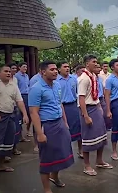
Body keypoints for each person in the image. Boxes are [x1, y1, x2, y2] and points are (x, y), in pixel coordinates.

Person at [29, 61, 74, 193]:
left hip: (59, 122)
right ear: (43, 72)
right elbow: (33, 112)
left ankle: (55, 177)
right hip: (46, 125)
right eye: (52, 69)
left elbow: (60, 104)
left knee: (60, 152)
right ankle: (46, 189)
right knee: (47, 157)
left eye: (56, 69)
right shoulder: (36, 88)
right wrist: (40, 134)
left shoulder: (57, 85)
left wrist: (65, 123)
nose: (55, 71)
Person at [78, 55, 113, 176]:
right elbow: (81, 98)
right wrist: (86, 116)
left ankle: (99, 160)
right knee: (87, 137)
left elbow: (96, 94)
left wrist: (99, 107)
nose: (96, 64)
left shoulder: (93, 76)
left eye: (96, 62)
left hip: (96, 107)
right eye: (93, 62)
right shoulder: (84, 78)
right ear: (87, 64)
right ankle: (87, 165)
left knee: (102, 135)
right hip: (87, 109)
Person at [56, 61, 83, 158]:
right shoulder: (56, 81)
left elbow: (78, 93)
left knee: (79, 128)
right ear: (59, 69)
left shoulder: (74, 79)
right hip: (62, 107)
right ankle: (66, 152)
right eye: (64, 67)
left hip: (73, 106)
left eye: (68, 67)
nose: (67, 68)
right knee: (64, 130)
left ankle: (81, 150)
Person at [15, 62, 33, 142]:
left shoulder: (27, 76)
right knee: (21, 116)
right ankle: (21, 135)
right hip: (20, 96)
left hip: (28, 96)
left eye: (26, 67)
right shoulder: (16, 76)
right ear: (19, 67)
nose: (25, 68)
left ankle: (28, 131)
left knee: (29, 114)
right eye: (24, 67)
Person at [8, 63, 22, 155]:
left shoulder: (15, 79)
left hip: (15, 106)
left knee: (17, 127)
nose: (13, 70)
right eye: (11, 69)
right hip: (7, 107)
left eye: (14, 68)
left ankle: (14, 148)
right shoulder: (4, 81)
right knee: (8, 130)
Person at [95, 63, 112, 131]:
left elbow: (103, 88)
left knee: (105, 114)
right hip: (95, 99)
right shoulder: (91, 78)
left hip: (101, 98)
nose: (99, 69)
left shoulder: (100, 78)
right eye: (97, 67)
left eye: (99, 68)